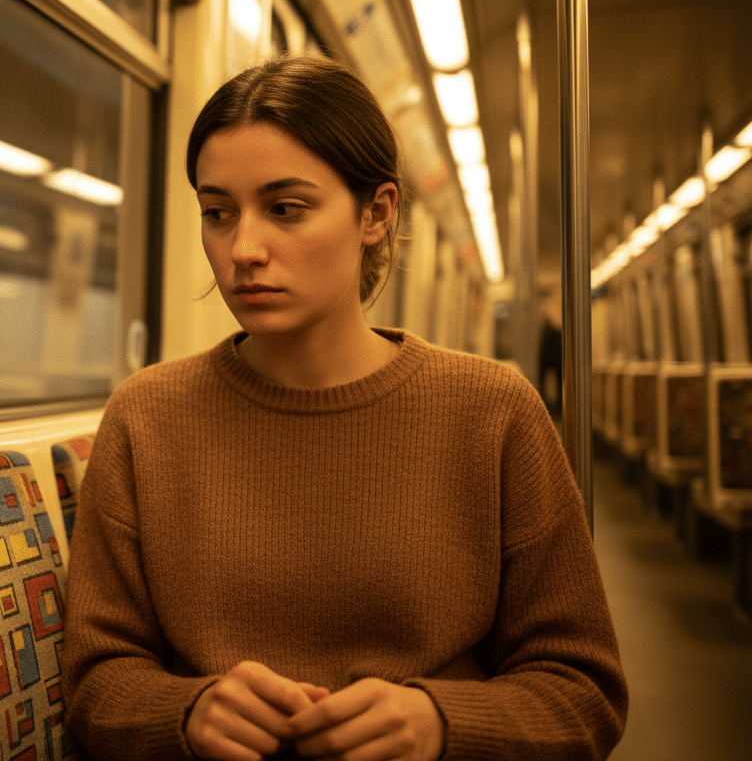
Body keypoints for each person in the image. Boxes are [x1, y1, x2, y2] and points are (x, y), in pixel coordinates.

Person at [61, 56, 626, 761]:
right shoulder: (146, 417)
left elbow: (582, 689)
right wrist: (189, 710)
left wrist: (438, 722)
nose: (243, 248)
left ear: (376, 213)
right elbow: (96, 679)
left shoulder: (493, 412)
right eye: (217, 213)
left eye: (286, 209)